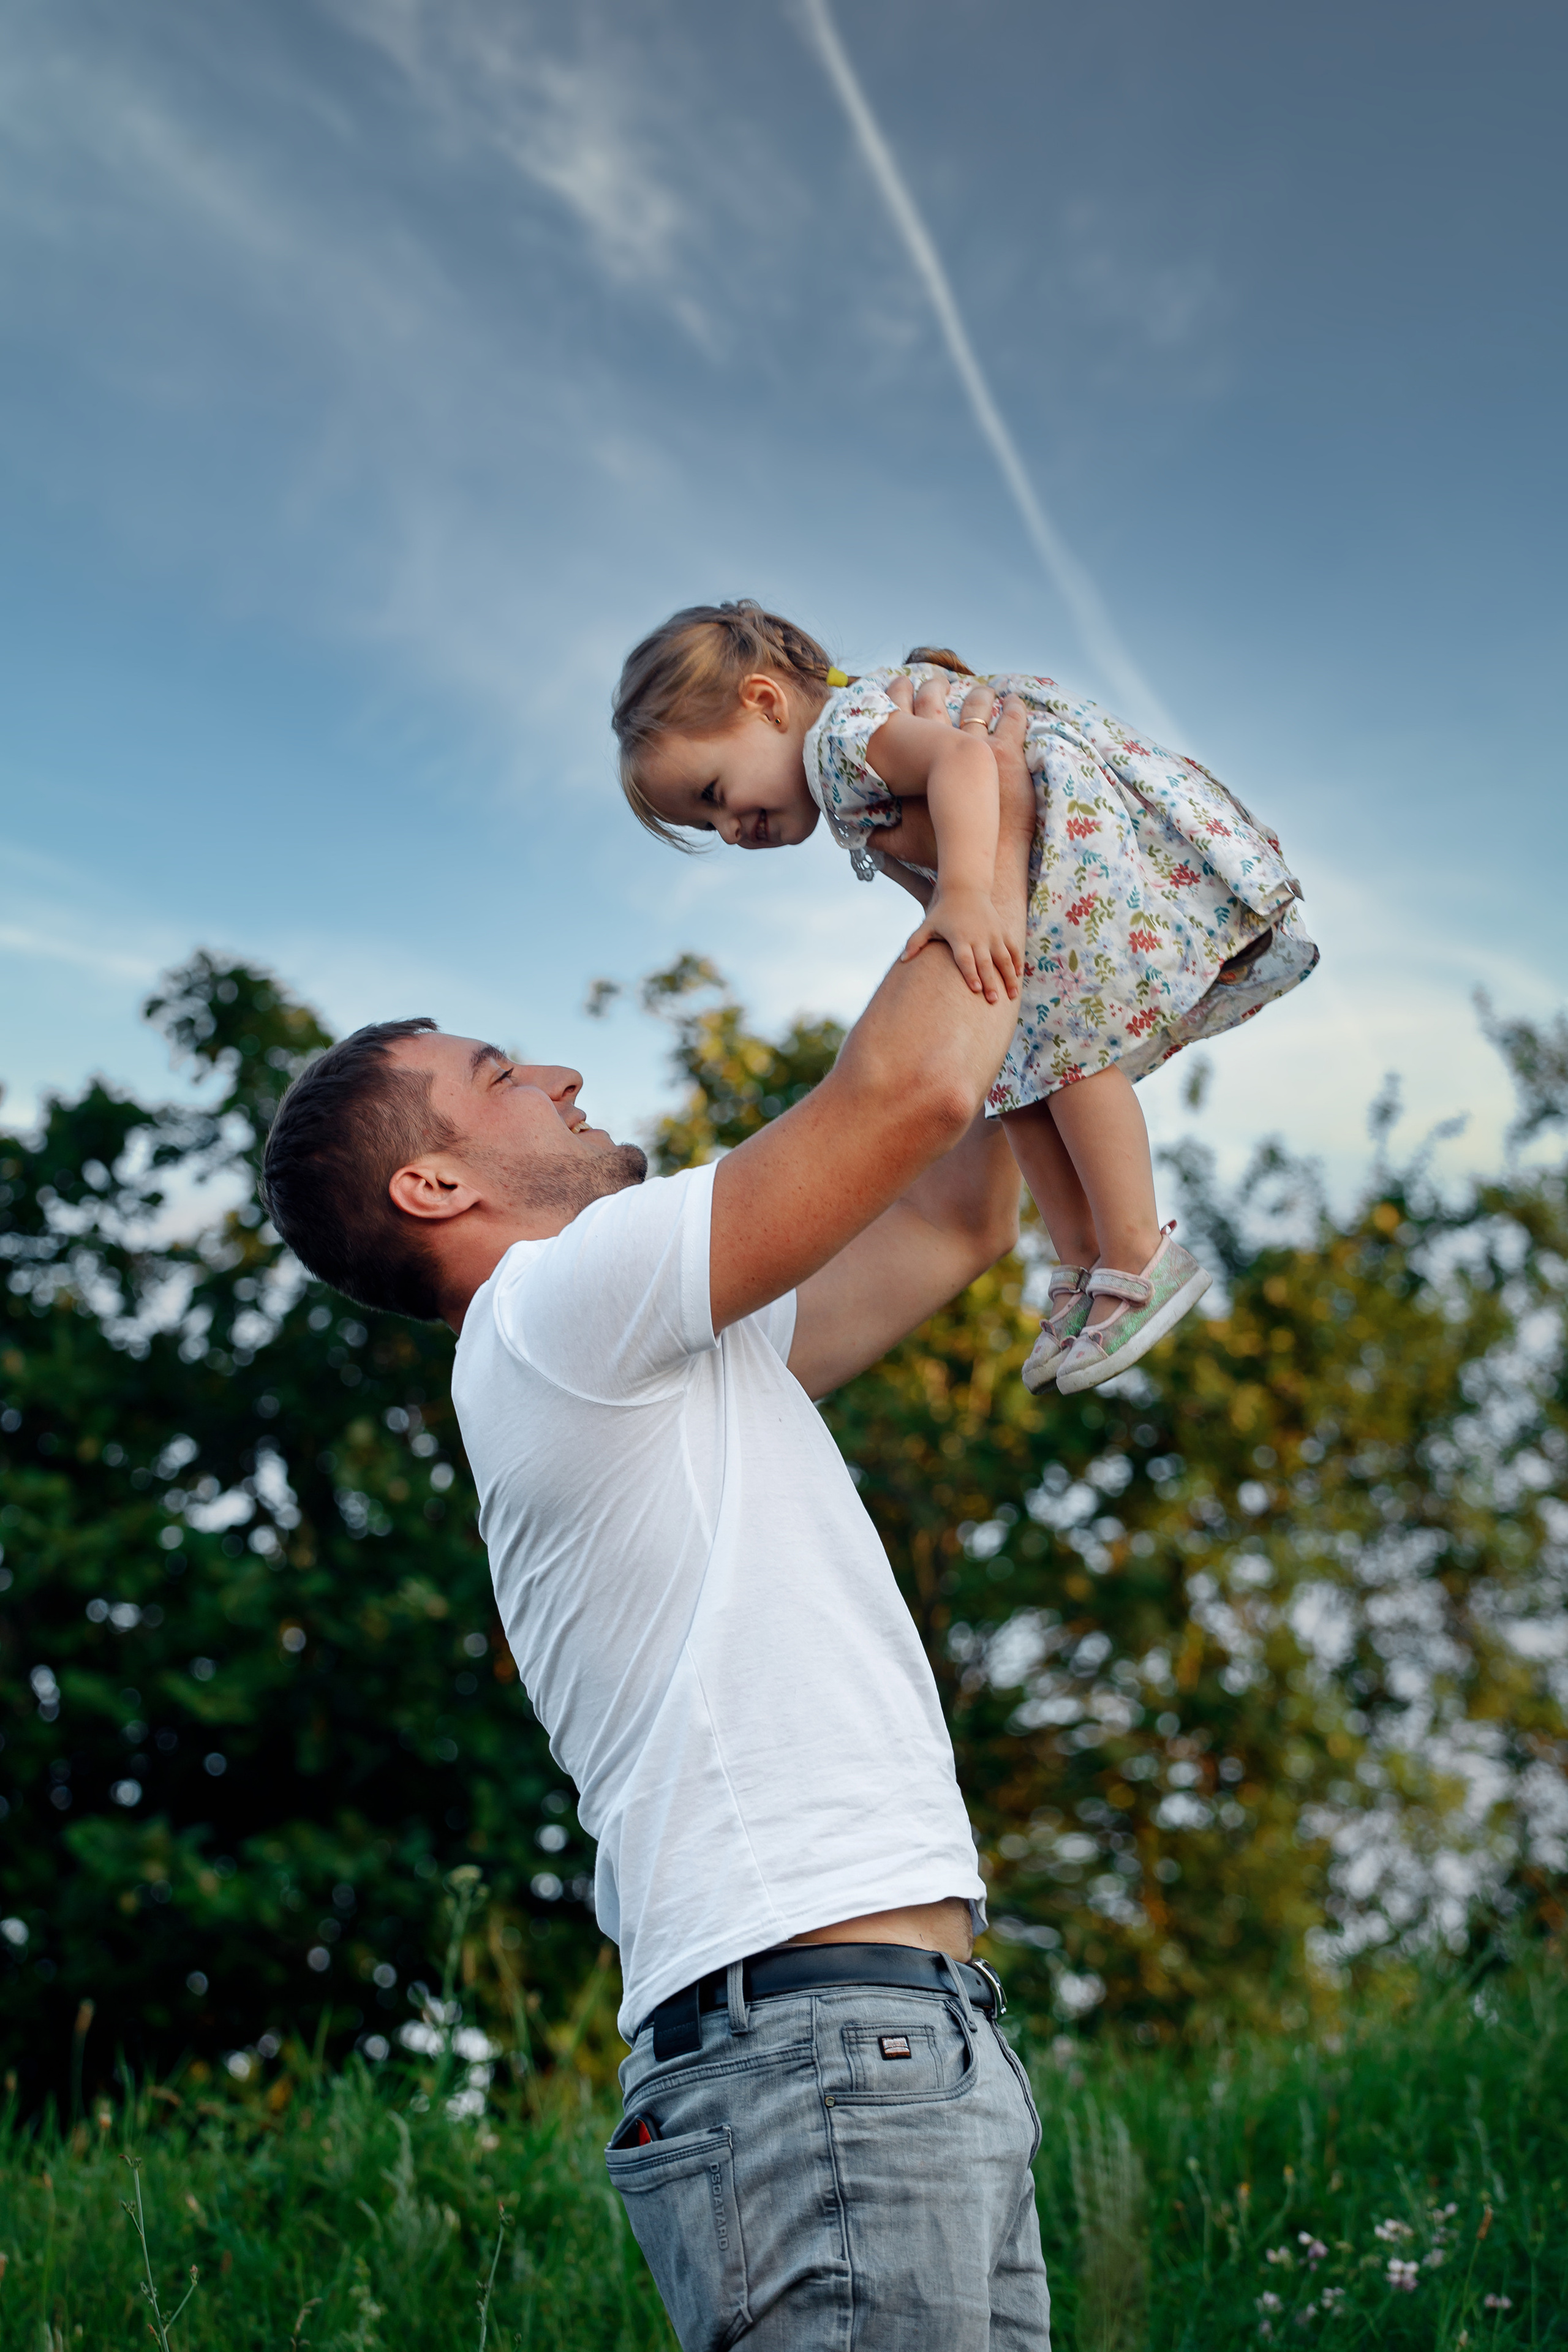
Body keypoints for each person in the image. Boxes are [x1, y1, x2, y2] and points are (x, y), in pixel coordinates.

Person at [260, 675, 1051, 2351]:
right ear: (436, 1186)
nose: (553, 1069)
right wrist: (965, 835)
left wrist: (998, 881)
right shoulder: (560, 1309)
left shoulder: (662, 1353)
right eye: (493, 1074)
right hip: (817, 2049)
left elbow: (957, 1212)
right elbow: (903, 1097)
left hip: (896, 2037)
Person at [614, 600, 1319, 1395]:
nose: (730, 831)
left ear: (766, 702)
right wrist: (960, 896)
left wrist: (962, 893)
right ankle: (1083, 1259)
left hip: (1071, 860)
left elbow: (968, 765)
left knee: (1065, 1051)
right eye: (707, 828)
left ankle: (1137, 1253)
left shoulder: (842, 741)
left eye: (712, 792)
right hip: (1054, 862)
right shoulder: (847, 743)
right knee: (1012, 1068)